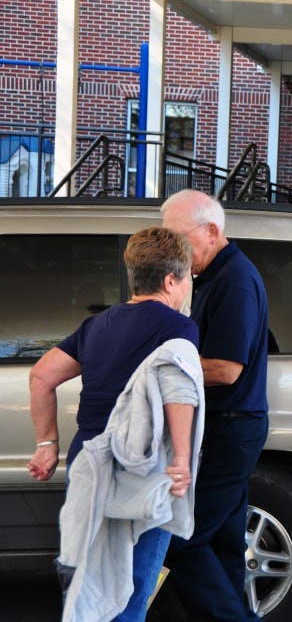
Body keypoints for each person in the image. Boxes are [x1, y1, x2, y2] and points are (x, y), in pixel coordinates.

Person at [27, 226, 203, 621]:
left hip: (88, 464)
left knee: (90, 584)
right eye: (188, 279)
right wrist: (181, 458)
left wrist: (47, 444)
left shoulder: (97, 325)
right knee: (132, 588)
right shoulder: (178, 328)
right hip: (140, 469)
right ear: (171, 280)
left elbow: (42, 376)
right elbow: (179, 389)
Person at [160, 189, 270, 621]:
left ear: (211, 231)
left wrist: (156, 367)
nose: (172, 250)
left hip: (231, 427)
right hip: (222, 425)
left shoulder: (234, 280)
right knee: (223, 544)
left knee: (180, 541)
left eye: (177, 238)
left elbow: (225, 369)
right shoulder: (208, 275)